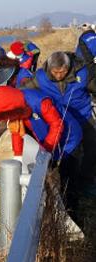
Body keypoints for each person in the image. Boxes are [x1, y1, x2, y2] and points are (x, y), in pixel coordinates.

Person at [0, 86, 83, 224]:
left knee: (69, 179)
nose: (8, 118)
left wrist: (46, 149)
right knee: (50, 176)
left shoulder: (39, 102)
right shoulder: (15, 110)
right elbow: (16, 133)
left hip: (69, 140)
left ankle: (73, 218)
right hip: (50, 141)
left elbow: (57, 124)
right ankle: (53, 212)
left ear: (13, 106)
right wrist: (18, 157)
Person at [22, 51, 96, 193]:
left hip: (83, 115)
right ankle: (63, 181)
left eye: (62, 72)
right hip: (62, 119)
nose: (58, 75)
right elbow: (25, 90)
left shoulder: (83, 73)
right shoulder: (41, 76)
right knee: (65, 152)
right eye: (55, 72)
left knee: (92, 145)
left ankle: (86, 179)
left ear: (68, 67)